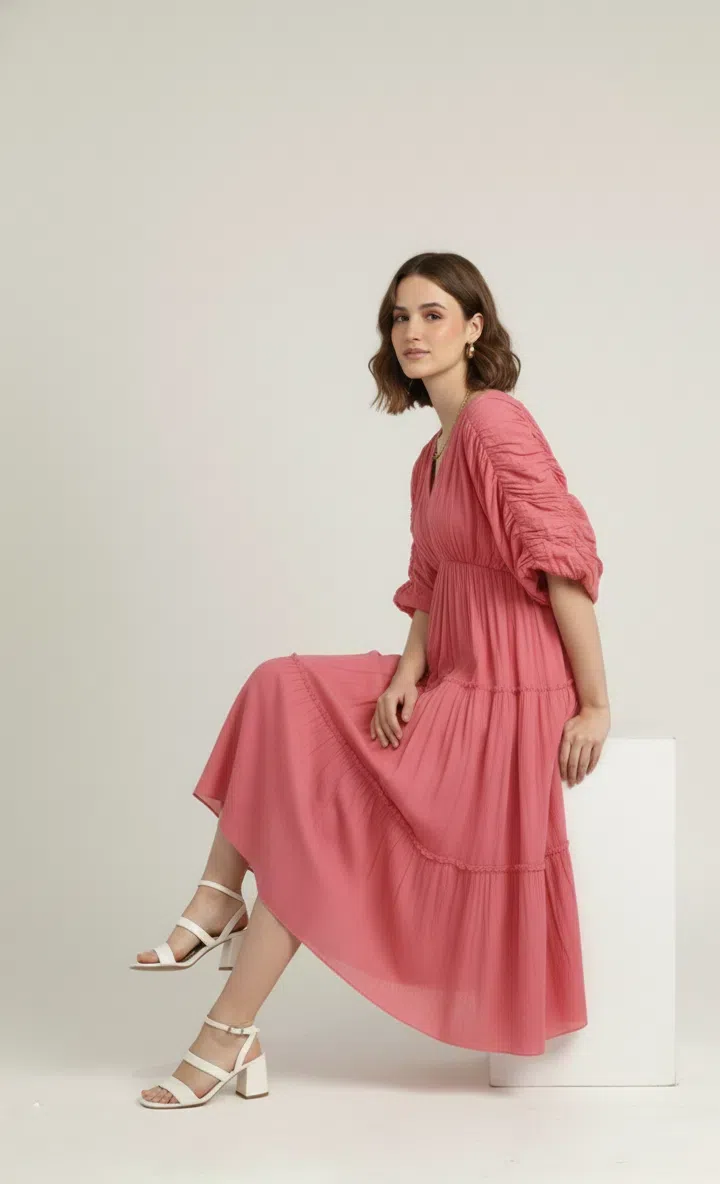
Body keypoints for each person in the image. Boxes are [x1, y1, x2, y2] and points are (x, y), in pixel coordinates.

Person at [134, 251, 611, 1108]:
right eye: (399, 317)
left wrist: (597, 703)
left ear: (474, 329)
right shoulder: (430, 455)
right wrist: (408, 669)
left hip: (512, 685)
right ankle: (218, 902)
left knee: (329, 810)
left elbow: (564, 563)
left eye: (433, 314)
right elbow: (431, 582)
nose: (413, 332)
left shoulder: (498, 423)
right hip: (453, 668)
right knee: (281, 686)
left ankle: (227, 1023)